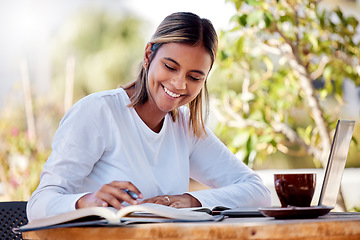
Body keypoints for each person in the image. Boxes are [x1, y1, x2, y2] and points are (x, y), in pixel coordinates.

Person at [27, 12, 271, 221]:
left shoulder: (185, 126)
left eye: (194, 77)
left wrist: (189, 200)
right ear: (148, 56)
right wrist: (86, 202)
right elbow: (38, 204)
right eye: (170, 67)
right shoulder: (98, 112)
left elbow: (258, 192)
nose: (179, 84)